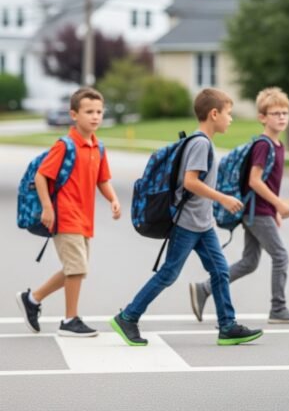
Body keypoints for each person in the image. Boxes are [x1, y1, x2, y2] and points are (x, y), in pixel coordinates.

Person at [110, 88, 263, 346]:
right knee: (169, 274)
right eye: (229, 113)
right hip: (188, 224)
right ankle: (128, 316)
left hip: (202, 224)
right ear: (214, 114)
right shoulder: (201, 143)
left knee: (220, 271)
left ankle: (227, 326)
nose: (231, 119)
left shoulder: (201, 141)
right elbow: (190, 182)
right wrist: (222, 198)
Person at [189, 86, 289, 325]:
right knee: (281, 256)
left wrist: (274, 211)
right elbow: (255, 180)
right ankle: (278, 308)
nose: (282, 117)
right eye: (275, 113)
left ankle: (204, 289)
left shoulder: (278, 146)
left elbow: (268, 182)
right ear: (262, 118)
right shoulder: (264, 145)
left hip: (260, 212)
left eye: (285, 112)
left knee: (249, 262)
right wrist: (279, 205)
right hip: (256, 212)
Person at [16, 87, 121, 337]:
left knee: (77, 268)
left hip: (85, 218)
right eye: (89, 112)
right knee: (77, 268)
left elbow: (102, 180)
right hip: (65, 216)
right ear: (74, 114)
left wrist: (113, 199)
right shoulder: (65, 145)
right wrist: (48, 208)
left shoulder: (98, 147)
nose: (95, 116)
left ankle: (32, 299)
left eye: (98, 111)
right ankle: (69, 320)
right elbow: (42, 177)